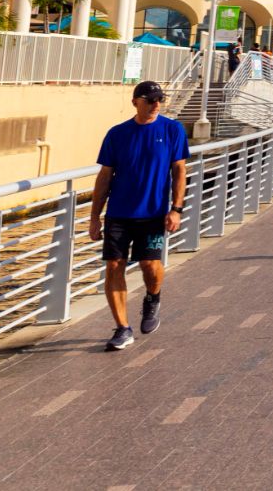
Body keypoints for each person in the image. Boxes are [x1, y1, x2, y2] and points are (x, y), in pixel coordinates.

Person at [90, 81, 190, 351]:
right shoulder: (117, 134)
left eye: (160, 99)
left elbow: (179, 171)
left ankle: (153, 297)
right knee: (113, 266)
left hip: (153, 213)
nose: (156, 104)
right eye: (150, 99)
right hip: (119, 213)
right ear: (136, 101)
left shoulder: (172, 130)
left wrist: (176, 209)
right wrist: (94, 216)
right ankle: (122, 328)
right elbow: (105, 176)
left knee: (149, 265)